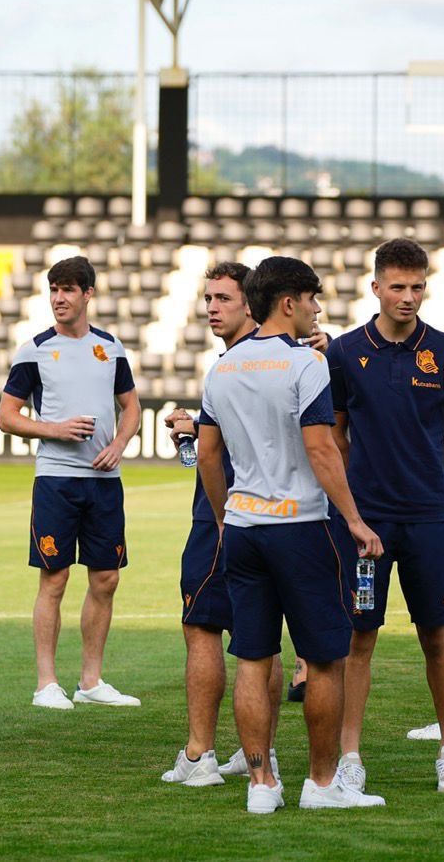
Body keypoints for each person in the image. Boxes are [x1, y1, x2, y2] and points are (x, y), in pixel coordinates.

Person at [196, 255, 385, 814]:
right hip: (301, 527)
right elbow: (321, 447)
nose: (316, 309)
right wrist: (353, 518)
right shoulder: (305, 365)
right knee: (325, 659)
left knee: (253, 658)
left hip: (245, 528)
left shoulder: (222, 368)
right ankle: (322, 785)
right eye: (312, 299)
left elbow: (208, 453)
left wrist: (224, 514)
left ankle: (261, 786)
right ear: (288, 303)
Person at [325, 239, 444, 795]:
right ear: (376, 288)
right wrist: (359, 494)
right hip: (365, 523)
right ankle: (350, 757)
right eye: (398, 287)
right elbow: (335, 432)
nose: (408, 297)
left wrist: (424, 480)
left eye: (417, 287)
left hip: (430, 518)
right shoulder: (343, 352)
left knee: (437, 635)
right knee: (358, 640)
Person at [159, 262, 285, 787]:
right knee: (261, 637)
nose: (211, 307)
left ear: (250, 306)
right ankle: (261, 752)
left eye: (223, 299)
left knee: (201, 627)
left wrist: (199, 439)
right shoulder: (280, 361)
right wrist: (197, 432)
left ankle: (198, 754)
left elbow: (222, 454)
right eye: (208, 298)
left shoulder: (233, 367)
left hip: (225, 515)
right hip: (275, 514)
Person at [0, 256, 143, 709]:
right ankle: (46, 683)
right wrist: (55, 430)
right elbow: (6, 416)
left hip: (105, 481)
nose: (59, 298)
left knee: (105, 578)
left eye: (68, 290)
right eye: (54, 289)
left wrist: (119, 443)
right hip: (57, 480)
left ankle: (91, 681)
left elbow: (132, 407)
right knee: (54, 578)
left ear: (87, 295)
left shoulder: (111, 347)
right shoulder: (35, 349)